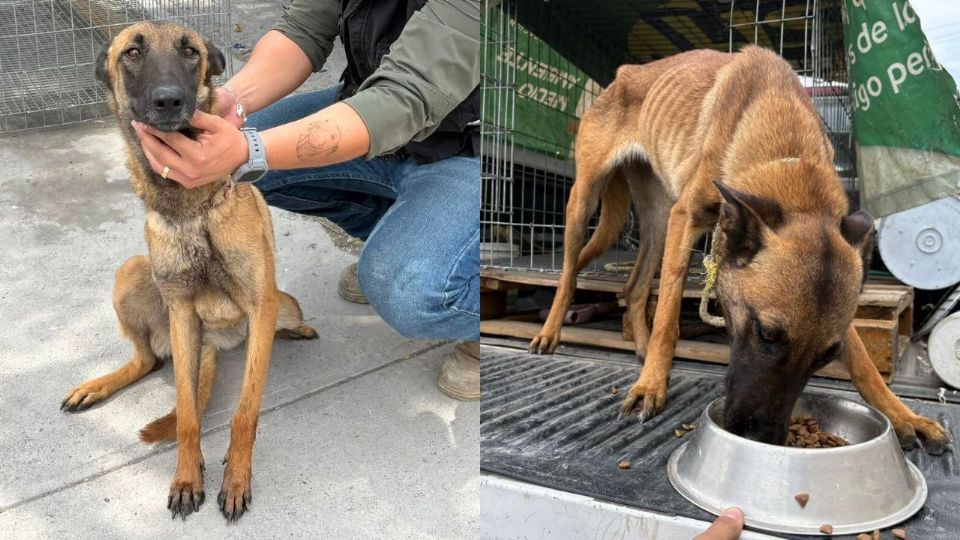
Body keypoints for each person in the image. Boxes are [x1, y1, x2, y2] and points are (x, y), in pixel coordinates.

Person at [130, 1, 481, 399]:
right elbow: (304, 28)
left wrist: (248, 151)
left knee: (411, 294)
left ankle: (499, 304)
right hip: (381, 115)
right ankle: (403, 238)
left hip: (473, 147)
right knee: (238, 165)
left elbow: (405, 97)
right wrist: (232, 101)